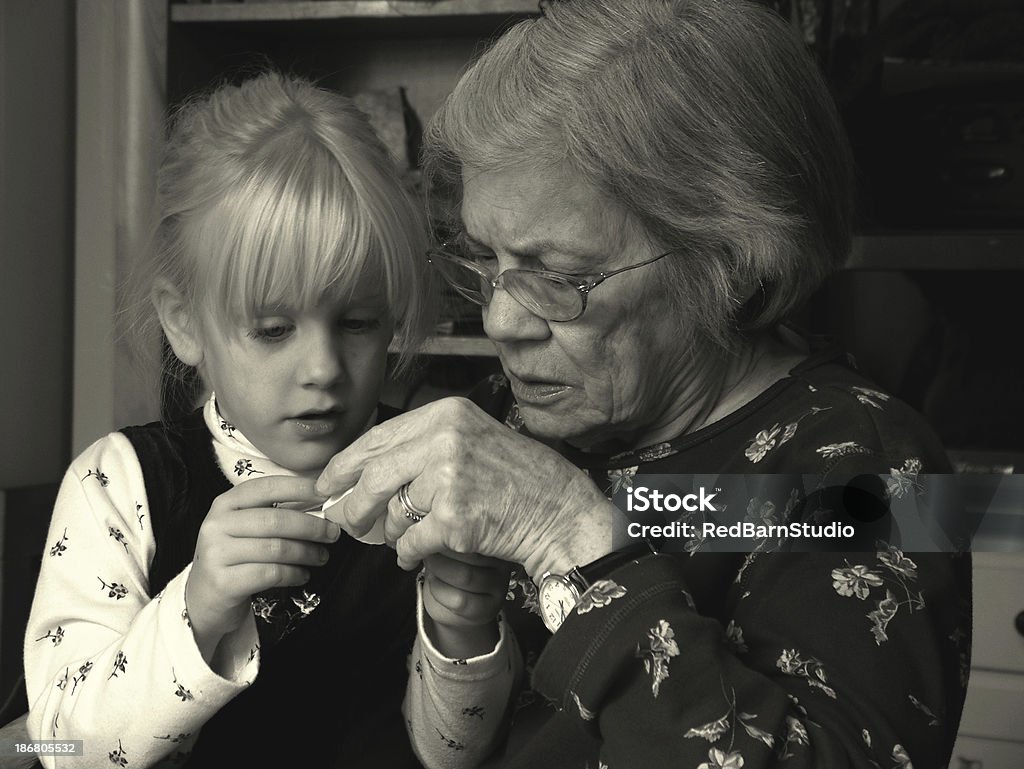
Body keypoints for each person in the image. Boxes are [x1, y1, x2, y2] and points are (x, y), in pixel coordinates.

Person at [317, 2, 973, 768]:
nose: (499, 320)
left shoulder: (872, 471)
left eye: (558, 277)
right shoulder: (525, 416)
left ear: (727, 262)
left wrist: (566, 532)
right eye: (486, 261)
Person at [22, 71, 513, 769]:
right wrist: (195, 612)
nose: (322, 367)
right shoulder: (117, 485)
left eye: (358, 321)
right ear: (186, 323)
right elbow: (61, 742)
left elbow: (456, 755)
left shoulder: (435, 480)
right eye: (275, 328)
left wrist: (461, 634)